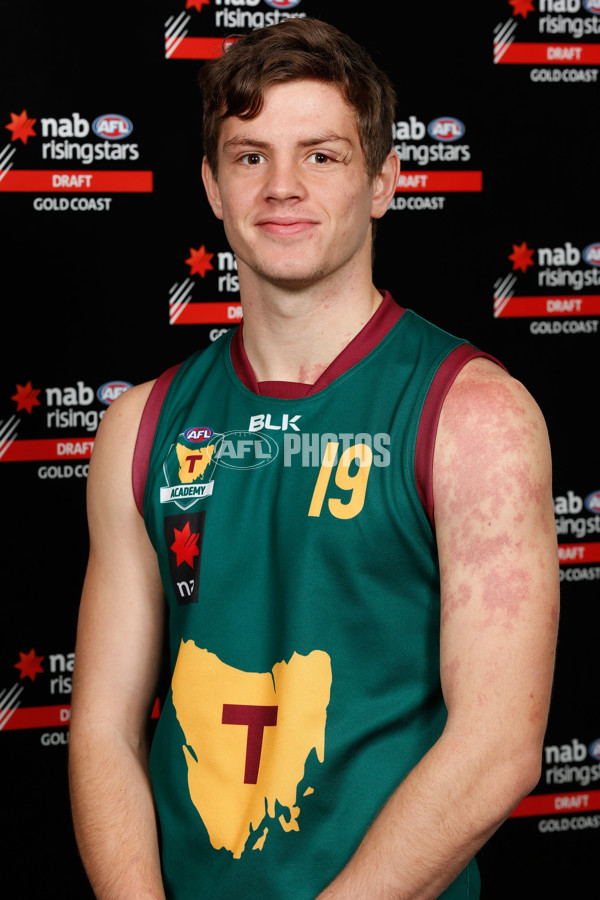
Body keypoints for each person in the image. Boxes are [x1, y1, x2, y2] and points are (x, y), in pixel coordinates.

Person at [69, 18, 559, 900]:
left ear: (383, 182)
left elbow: (498, 749)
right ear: (213, 186)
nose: (281, 187)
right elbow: (102, 726)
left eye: (322, 156)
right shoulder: (140, 426)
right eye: (250, 157)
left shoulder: (475, 415)